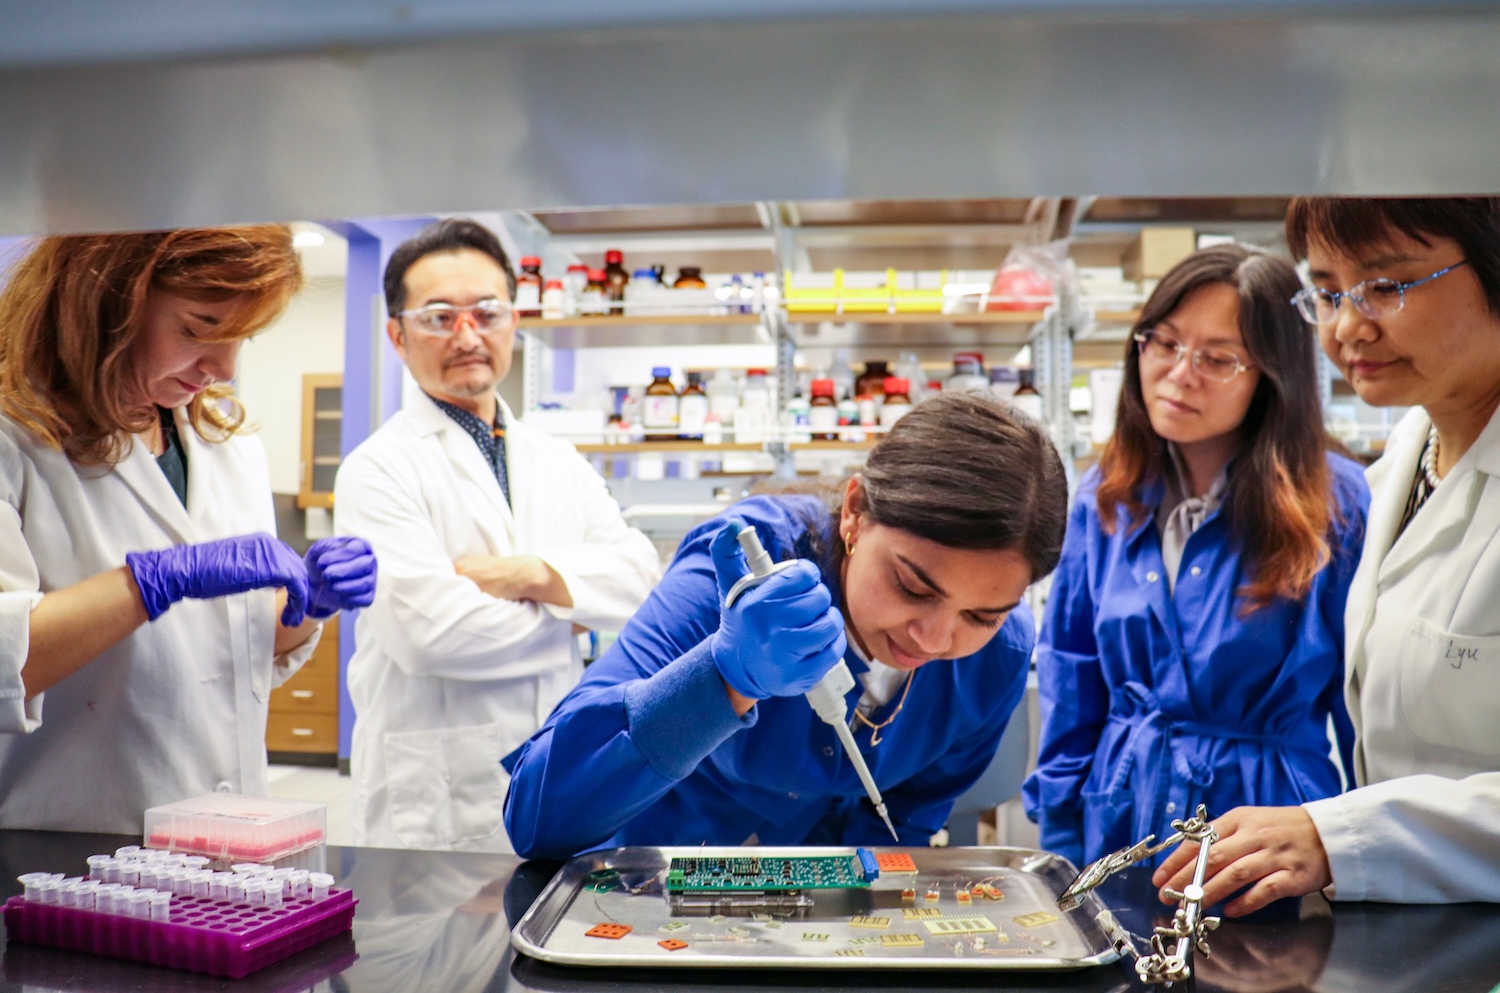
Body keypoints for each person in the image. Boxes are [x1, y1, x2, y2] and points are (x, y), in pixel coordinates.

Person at [502, 392, 1068, 858]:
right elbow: (537, 816)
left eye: (981, 615)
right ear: (855, 513)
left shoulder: (998, 656)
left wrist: (855, 928)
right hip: (651, 881)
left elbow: (904, 821)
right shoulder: (742, 572)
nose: (935, 639)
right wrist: (723, 679)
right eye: (912, 587)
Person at [1154, 198, 1500, 914]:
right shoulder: (1397, 470)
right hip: (1422, 938)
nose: (1347, 326)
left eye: (1386, 286)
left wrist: (1341, 835)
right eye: (1330, 291)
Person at [0, 226, 377, 833]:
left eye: (242, 337)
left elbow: (235, 657)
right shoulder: (13, 435)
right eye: (199, 328)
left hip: (231, 842)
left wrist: (307, 604)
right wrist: (151, 582)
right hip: (74, 848)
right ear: (109, 299)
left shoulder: (226, 445)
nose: (225, 366)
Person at [1022, 245, 1369, 872]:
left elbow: (1364, 705)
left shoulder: (1335, 503)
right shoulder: (1107, 496)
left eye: (1217, 358)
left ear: (1272, 375)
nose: (1181, 373)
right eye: (1165, 342)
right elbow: (1071, 679)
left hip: (1265, 835)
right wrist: (1064, 842)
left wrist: (1366, 856)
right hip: (1122, 819)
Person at [333, 218, 661, 853]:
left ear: (513, 320)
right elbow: (430, 637)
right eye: (438, 317)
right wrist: (573, 613)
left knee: (553, 943)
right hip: (434, 797)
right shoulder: (377, 470)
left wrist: (530, 576)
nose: (467, 334)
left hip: (559, 774)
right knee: (440, 949)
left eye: (487, 312)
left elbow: (641, 578)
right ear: (397, 335)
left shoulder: (556, 458)